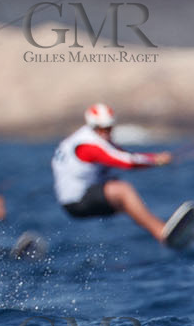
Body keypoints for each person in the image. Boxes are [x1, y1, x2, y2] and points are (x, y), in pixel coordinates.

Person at [51, 102, 178, 243]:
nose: (105, 132)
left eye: (109, 128)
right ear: (93, 127)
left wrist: (155, 160)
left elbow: (124, 155)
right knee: (123, 190)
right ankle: (162, 233)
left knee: (126, 198)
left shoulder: (87, 138)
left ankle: (162, 235)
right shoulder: (89, 145)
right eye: (102, 129)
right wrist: (156, 159)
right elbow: (126, 161)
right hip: (77, 202)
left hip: (76, 198)